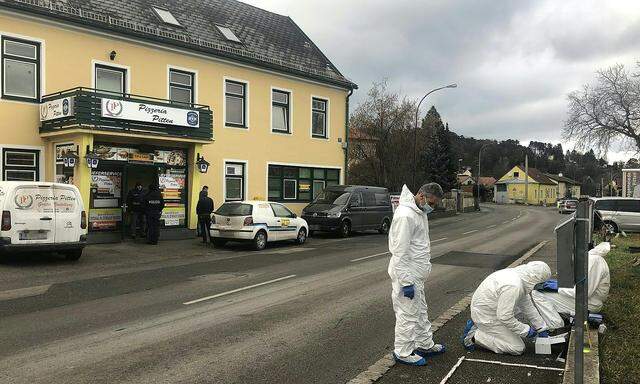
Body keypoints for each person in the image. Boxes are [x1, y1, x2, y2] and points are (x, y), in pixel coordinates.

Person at [388, 183, 446, 366]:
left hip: (416, 275)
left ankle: (424, 344)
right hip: (408, 275)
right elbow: (400, 253)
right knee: (408, 314)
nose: (432, 206)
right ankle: (403, 352)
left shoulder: (419, 212)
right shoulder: (406, 216)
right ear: (421, 196)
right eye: (431, 202)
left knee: (420, 311)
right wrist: (406, 282)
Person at [461, 261, 552, 355]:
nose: (541, 286)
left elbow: (527, 306)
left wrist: (541, 327)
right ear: (534, 279)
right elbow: (504, 317)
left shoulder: (521, 278)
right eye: (541, 283)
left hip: (490, 309)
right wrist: (525, 330)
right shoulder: (514, 286)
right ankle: (475, 335)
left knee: (517, 312)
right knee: (517, 348)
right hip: (486, 316)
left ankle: (483, 327)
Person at [531, 242, 611, 330]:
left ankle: (556, 325)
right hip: (590, 300)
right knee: (546, 292)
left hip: (590, 304)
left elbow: (583, 292)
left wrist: (559, 288)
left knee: (537, 294)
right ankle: (561, 320)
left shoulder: (593, 261)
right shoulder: (593, 259)